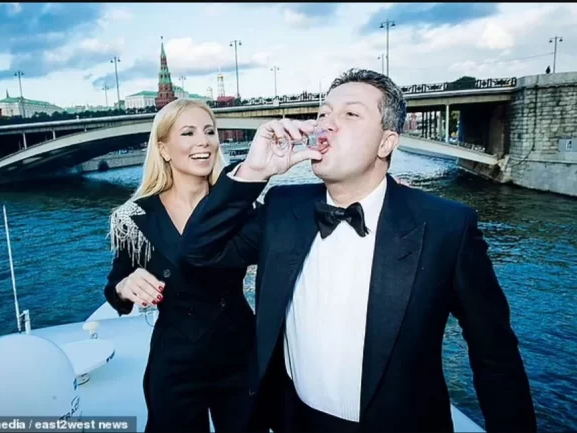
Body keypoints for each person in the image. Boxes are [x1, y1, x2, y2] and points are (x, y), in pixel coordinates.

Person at [177, 68, 537, 432]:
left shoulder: (447, 226)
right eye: (323, 113)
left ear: (386, 143)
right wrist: (254, 171)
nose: (327, 124)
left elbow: (495, 355)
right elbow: (198, 252)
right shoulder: (283, 208)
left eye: (351, 114)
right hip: (294, 422)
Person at [103, 98, 256, 432]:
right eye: (188, 133)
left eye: (209, 132)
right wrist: (125, 286)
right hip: (175, 361)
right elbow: (115, 286)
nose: (204, 142)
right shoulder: (136, 217)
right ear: (164, 149)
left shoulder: (239, 207)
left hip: (241, 355)